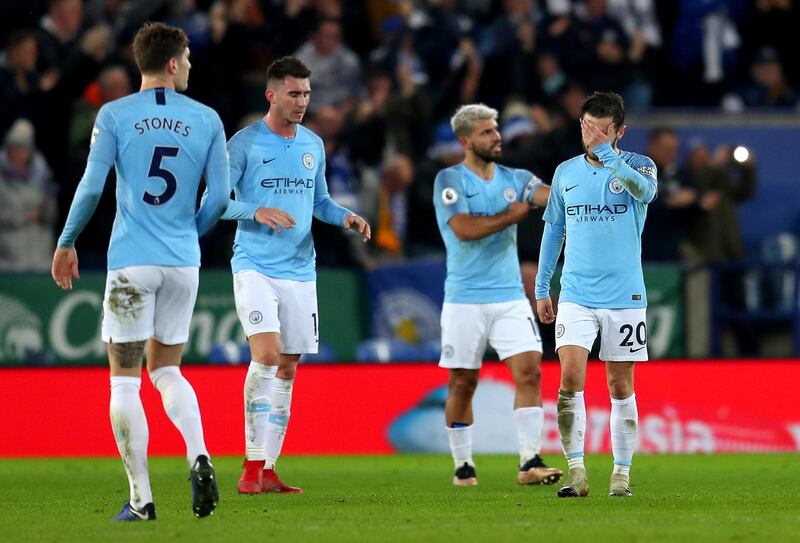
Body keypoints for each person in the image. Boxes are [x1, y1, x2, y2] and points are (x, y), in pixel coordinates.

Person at [51, 22, 228, 520]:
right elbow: (217, 198)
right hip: (183, 262)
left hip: (130, 263)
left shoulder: (114, 115)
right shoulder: (208, 120)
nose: (190, 65)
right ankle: (199, 454)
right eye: (188, 58)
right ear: (172, 64)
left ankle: (141, 499)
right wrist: (190, 231)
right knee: (168, 370)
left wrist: (66, 242)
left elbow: (90, 188)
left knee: (125, 382)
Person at [212, 56, 370, 495]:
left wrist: (345, 217)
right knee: (266, 355)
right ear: (272, 94)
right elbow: (215, 201)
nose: (301, 102)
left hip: (301, 271)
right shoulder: (243, 144)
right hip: (255, 266)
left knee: (288, 366)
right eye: (294, 94)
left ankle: (269, 468)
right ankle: (249, 465)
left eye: (306, 94)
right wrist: (255, 209)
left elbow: (319, 201)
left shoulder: (313, 145)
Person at [433, 103, 562, 487]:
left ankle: (529, 462)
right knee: (463, 383)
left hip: (508, 296)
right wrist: (511, 216)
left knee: (530, 372)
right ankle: (463, 465)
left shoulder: (516, 177)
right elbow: (464, 229)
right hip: (464, 297)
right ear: (466, 140)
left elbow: (546, 195)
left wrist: (573, 192)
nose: (497, 136)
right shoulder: (449, 180)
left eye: (496, 129)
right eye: (487, 132)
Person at [535, 91, 657, 498]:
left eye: (602, 130)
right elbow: (553, 230)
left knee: (621, 386)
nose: (593, 136)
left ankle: (621, 474)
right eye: (587, 127)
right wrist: (541, 287)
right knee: (570, 377)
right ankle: (576, 471)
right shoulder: (566, 173)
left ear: (619, 131)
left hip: (625, 296)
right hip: (576, 293)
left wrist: (610, 156)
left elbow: (647, 192)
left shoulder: (639, 165)